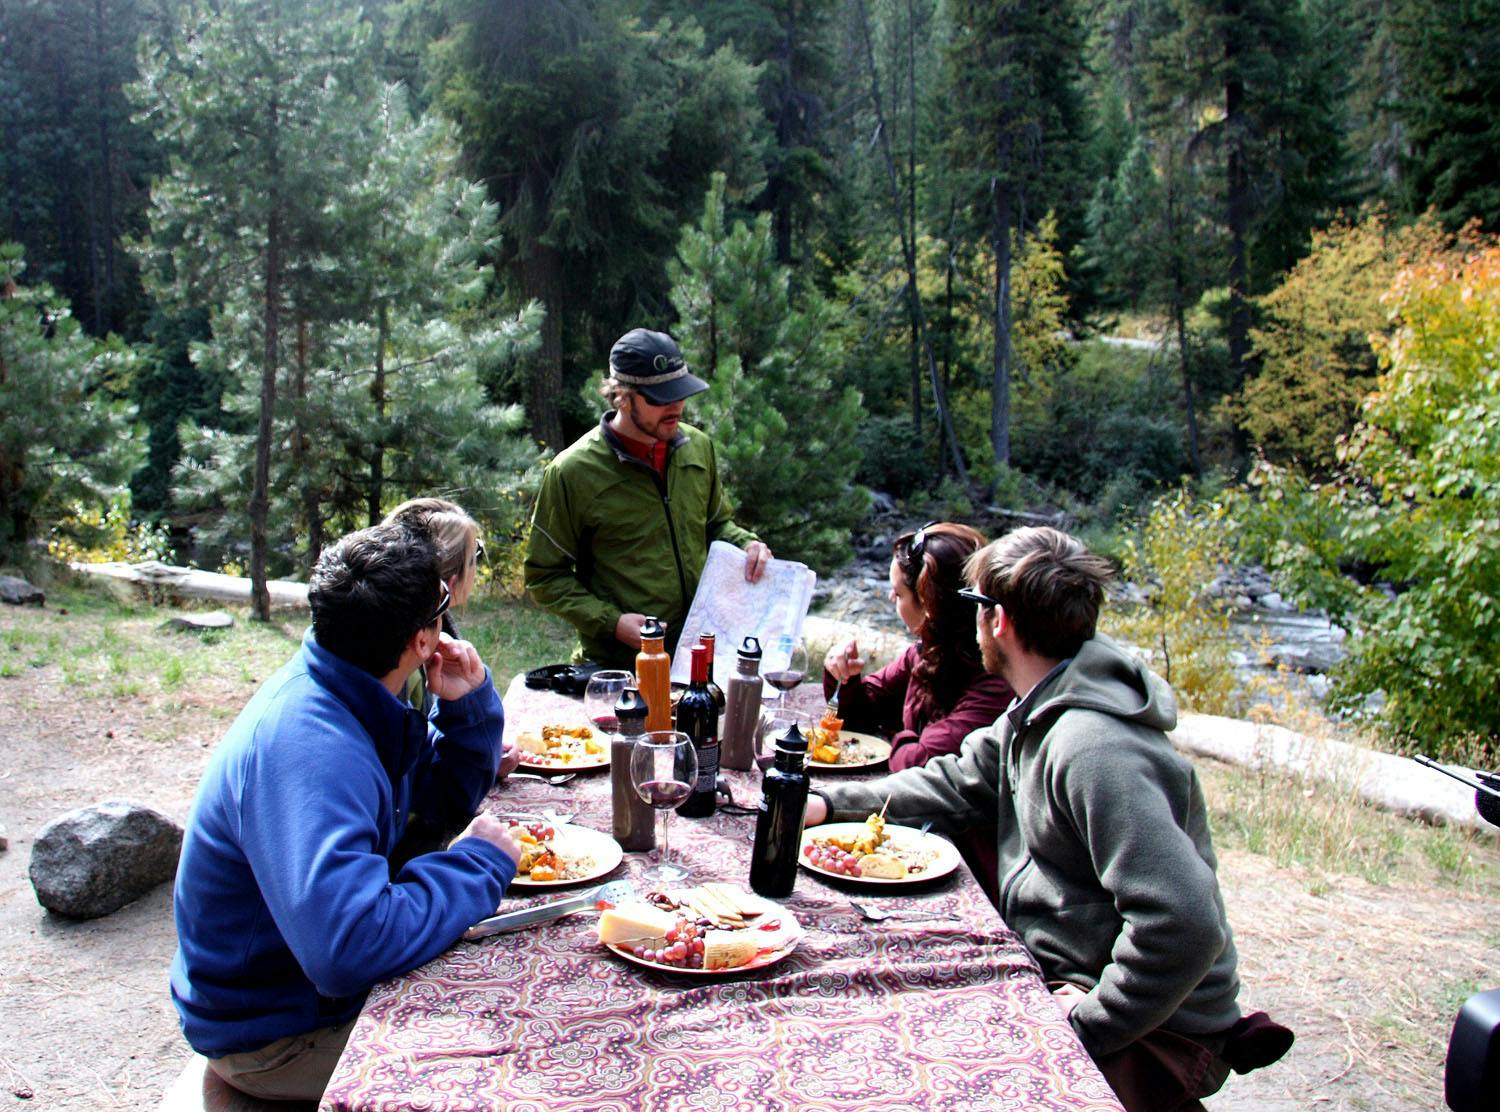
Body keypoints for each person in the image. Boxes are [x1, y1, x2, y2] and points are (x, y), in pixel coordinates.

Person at [804, 527, 1291, 1111]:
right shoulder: (1037, 706)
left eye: (975, 606)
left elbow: (1185, 924)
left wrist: (1086, 1023)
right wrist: (829, 806)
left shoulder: (1093, 748)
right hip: (1065, 970)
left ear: (998, 620)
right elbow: (957, 777)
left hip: (1155, 1028)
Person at [170, 523, 524, 1101]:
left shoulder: (352, 688)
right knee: (514, 1047)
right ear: (421, 641)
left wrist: (466, 712)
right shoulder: (314, 746)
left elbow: (437, 804)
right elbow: (348, 947)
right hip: (272, 1036)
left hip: (298, 992)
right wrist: (477, 868)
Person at [524, 327, 772, 669]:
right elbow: (544, 577)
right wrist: (612, 622)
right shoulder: (572, 472)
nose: (677, 407)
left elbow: (717, 524)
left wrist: (747, 544)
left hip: (704, 658)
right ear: (621, 395)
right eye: (660, 398)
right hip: (619, 668)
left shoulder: (698, 448)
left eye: (681, 393)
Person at [822, 521, 1014, 771]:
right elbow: (858, 716)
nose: (892, 599)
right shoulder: (929, 652)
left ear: (929, 604)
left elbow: (917, 763)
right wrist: (845, 678)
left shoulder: (995, 683)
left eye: (899, 594)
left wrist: (895, 735)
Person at [384, 497, 520, 782]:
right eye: (475, 556)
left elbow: (421, 747)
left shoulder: (398, 633)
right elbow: (418, 780)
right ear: (450, 583)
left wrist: (480, 748)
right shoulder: (402, 660)